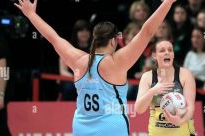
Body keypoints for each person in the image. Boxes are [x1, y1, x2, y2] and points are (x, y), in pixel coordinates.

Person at [14, 0, 176, 135]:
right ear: (113, 41)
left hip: (81, 127)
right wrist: (167, 3)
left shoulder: (78, 60)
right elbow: (146, 32)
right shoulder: (117, 62)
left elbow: (53, 37)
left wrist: (31, 15)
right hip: (112, 127)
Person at [135, 41, 196, 136]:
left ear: (173, 55)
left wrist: (180, 121)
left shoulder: (185, 75)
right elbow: (139, 109)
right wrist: (152, 91)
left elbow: (190, 107)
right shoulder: (147, 77)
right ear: (154, 55)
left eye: (170, 50)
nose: (167, 52)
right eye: (162, 50)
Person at [59, 19, 91, 101]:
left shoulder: (95, 49)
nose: (85, 33)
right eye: (81, 31)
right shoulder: (68, 48)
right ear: (76, 33)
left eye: (87, 30)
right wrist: (78, 79)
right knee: (69, 88)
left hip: (91, 81)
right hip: (72, 81)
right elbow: (63, 71)